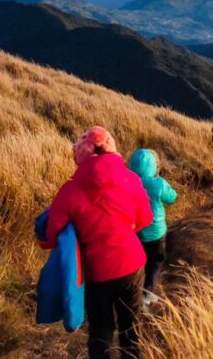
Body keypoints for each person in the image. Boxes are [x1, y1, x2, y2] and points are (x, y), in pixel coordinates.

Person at [43, 127, 153, 359]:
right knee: (131, 325)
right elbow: (145, 218)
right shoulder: (131, 178)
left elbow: (51, 236)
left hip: (96, 273)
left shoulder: (69, 191)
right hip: (132, 265)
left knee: (101, 331)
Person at [127, 148, 178, 298]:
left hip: (136, 232)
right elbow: (172, 197)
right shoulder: (159, 184)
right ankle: (149, 291)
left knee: (137, 263)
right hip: (156, 232)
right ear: (154, 166)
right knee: (156, 262)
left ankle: (135, 288)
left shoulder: (128, 183)